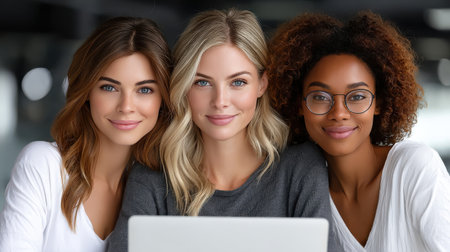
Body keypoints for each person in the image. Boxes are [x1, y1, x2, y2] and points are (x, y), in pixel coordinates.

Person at [107, 8, 341, 252]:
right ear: (184, 86)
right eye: (202, 82)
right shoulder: (152, 176)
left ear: (262, 84)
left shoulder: (300, 168)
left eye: (238, 82)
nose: (220, 101)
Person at [268, 11, 450, 251]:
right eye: (320, 97)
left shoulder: (414, 167)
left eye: (357, 96)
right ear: (299, 104)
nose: (339, 113)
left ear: (379, 103)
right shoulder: (306, 196)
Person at [0, 17, 171, 252]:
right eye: (109, 87)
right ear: (87, 91)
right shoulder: (43, 165)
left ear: (162, 99)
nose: (126, 106)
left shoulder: (156, 190)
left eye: (144, 89)